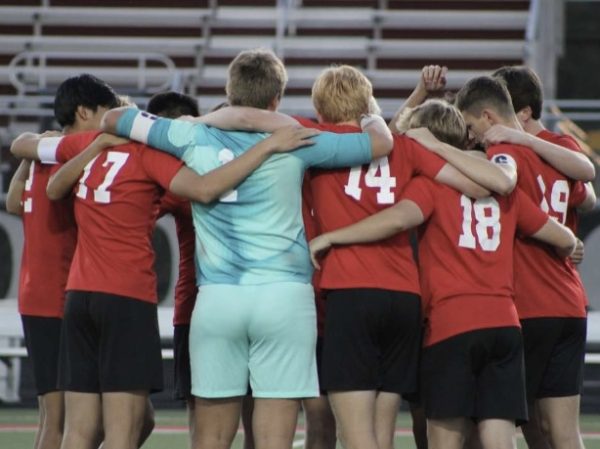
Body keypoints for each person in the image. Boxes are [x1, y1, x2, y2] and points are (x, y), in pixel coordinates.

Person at [102, 48, 394, 449]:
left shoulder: (189, 133)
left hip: (218, 298)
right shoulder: (297, 137)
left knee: (210, 440)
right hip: (285, 298)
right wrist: (370, 112)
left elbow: (113, 118)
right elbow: (379, 143)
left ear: (229, 90)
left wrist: (211, 118)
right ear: (276, 98)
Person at [308, 100, 578, 449]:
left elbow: (398, 218)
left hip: (452, 323)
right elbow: (565, 238)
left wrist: (333, 236)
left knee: (443, 437)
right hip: (505, 325)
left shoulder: (431, 186)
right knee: (498, 437)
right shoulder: (502, 193)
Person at [414, 75, 593, 449]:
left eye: (473, 126)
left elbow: (496, 184)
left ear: (488, 116)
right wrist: (568, 240)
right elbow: (588, 191)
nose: (473, 137)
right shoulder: (556, 149)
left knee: (497, 421)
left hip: (522, 302)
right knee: (561, 431)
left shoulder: (501, 157)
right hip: (568, 301)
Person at [5, 74, 119, 449]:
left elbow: (13, 203)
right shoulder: (71, 156)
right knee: (65, 422)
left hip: (35, 295)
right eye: (104, 112)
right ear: (84, 112)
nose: (108, 120)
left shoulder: (43, 153)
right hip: (58, 296)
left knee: (53, 419)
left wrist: (30, 154)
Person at [147, 91, 200, 447]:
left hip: (197, 308)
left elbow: (134, 213)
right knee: (262, 412)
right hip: (263, 299)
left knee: (203, 418)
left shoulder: (174, 180)